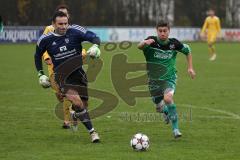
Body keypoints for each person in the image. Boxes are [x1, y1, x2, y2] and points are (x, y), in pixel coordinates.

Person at [34, 11, 101, 143]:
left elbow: (94, 36)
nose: (64, 26)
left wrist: (95, 46)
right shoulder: (45, 39)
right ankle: (93, 133)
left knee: (83, 106)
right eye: (60, 24)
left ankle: (74, 114)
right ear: (53, 24)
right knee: (77, 102)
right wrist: (40, 74)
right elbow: (37, 56)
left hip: (79, 74)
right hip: (62, 77)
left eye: (65, 23)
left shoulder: (75, 31)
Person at [138, 21, 196, 138]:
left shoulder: (174, 44)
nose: (163, 33)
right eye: (160, 31)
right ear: (157, 31)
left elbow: (187, 50)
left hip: (169, 78)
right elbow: (139, 46)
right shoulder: (151, 41)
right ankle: (165, 112)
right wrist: (145, 42)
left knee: (168, 98)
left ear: (169, 31)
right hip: (153, 81)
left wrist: (190, 68)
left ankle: (176, 130)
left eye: (165, 31)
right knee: (158, 107)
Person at [42, 4, 88, 129]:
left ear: (68, 16)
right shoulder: (49, 29)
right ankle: (74, 111)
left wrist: (83, 53)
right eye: (61, 13)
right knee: (60, 95)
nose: (63, 16)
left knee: (68, 93)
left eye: (65, 14)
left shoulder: (71, 30)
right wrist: (47, 57)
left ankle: (68, 119)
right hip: (54, 67)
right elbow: (44, 46)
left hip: (70, 68)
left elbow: (76, 46)